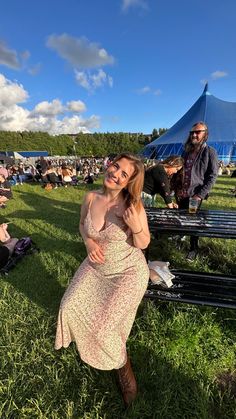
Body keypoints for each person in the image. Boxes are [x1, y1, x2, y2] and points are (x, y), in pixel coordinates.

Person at [55, 153, 150, 407]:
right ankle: (93, 345)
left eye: (124, 174)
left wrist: (136, 226)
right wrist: (88, 242)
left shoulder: (132, 206)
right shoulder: (90, 197)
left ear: (129, 181)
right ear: (109, 165)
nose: (115, 174)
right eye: (115, 166)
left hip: (127, 272)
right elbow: (81, 226)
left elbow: (143, 244)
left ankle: (123, 369)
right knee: (68, 305)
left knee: (105, 327)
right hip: (96, 266)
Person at [176, 121, 218, 261]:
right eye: (192, 132)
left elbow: (212, 176)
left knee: (193, 222)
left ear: (205, 134)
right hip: (181, 193)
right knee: (181, 218)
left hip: (195, 196)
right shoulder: (186, 151)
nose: (194, 134)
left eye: (197, 132)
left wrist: (200, 195)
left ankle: (193, 249)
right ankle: (180, 237)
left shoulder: (209, 152)